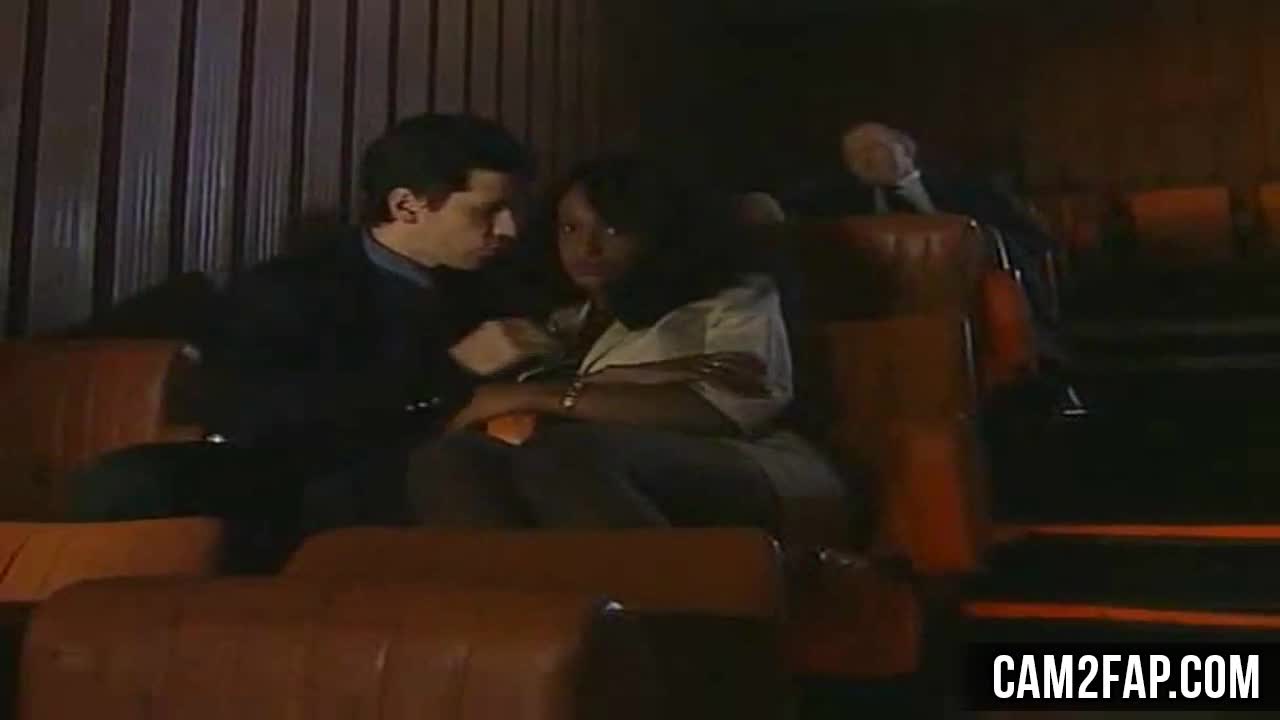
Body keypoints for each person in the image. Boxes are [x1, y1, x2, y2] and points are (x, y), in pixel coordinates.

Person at [69, 113, 557, 567]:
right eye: (488, 211)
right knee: (133, 481)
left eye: (514, 210)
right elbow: (250, 411)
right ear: (406, 206)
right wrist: (448, 368)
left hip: (449, 472)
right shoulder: (293, 287)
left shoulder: (506, 286)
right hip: (305, 475)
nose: (509, 229)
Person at [406, 154, 848, 531]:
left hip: (753, 465)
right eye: (570, 228)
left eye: (613, 230)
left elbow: (725, 406)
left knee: (568, 453)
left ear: (660, 232)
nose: (587, 248)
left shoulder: (732, 296)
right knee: (449, 459)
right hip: (585, 469)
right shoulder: (564, 321)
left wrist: (537, 395)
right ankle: (514, 601)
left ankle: (652, 603)